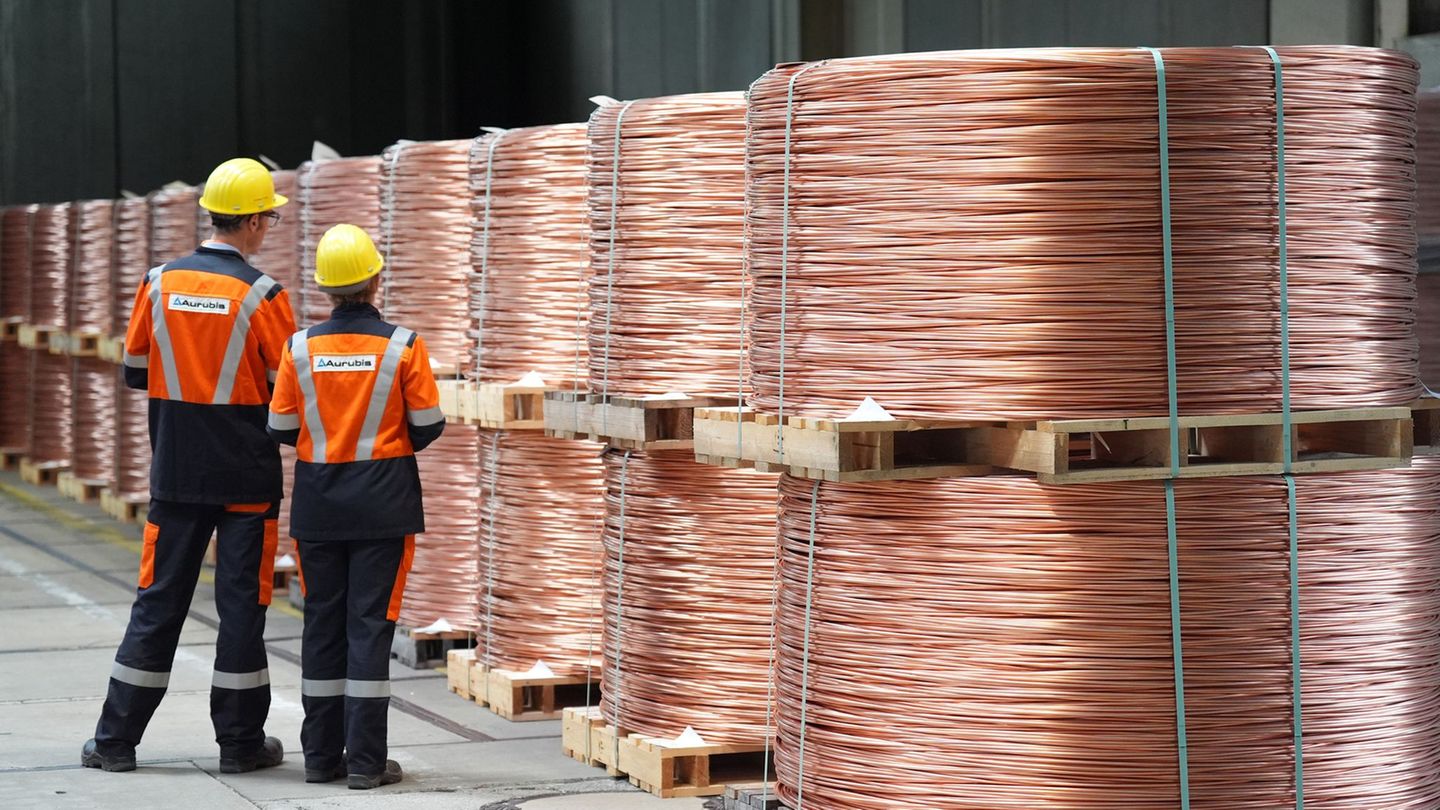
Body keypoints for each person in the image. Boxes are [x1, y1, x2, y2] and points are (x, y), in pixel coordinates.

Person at [84, 158, 298, 773]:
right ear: (253, 221)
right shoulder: (263, 295)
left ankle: (116, 743)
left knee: (158, 602)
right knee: (242, 611)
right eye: (270, 220)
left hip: (176, 473)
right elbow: (283, 392)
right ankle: (240, 747)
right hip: (247, 481)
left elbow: (134, 370)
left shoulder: (158, 282)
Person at [266, 223, 444, 789]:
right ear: (374, 277)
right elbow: (428, 425)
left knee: (322, 625)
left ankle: (320, 758)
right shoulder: (403, 346)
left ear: (325, 288)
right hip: (383, 506)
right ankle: (366, 762)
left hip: (319, 506)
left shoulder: (299, 348)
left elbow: (280, 427)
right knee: (369, 628)